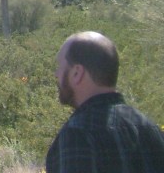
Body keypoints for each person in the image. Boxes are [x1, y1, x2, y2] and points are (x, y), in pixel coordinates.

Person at [46, 31, 164, 172]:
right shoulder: (150, 128)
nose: (56, 74)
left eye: (59, 66)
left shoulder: (78, 132)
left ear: (77, 73)